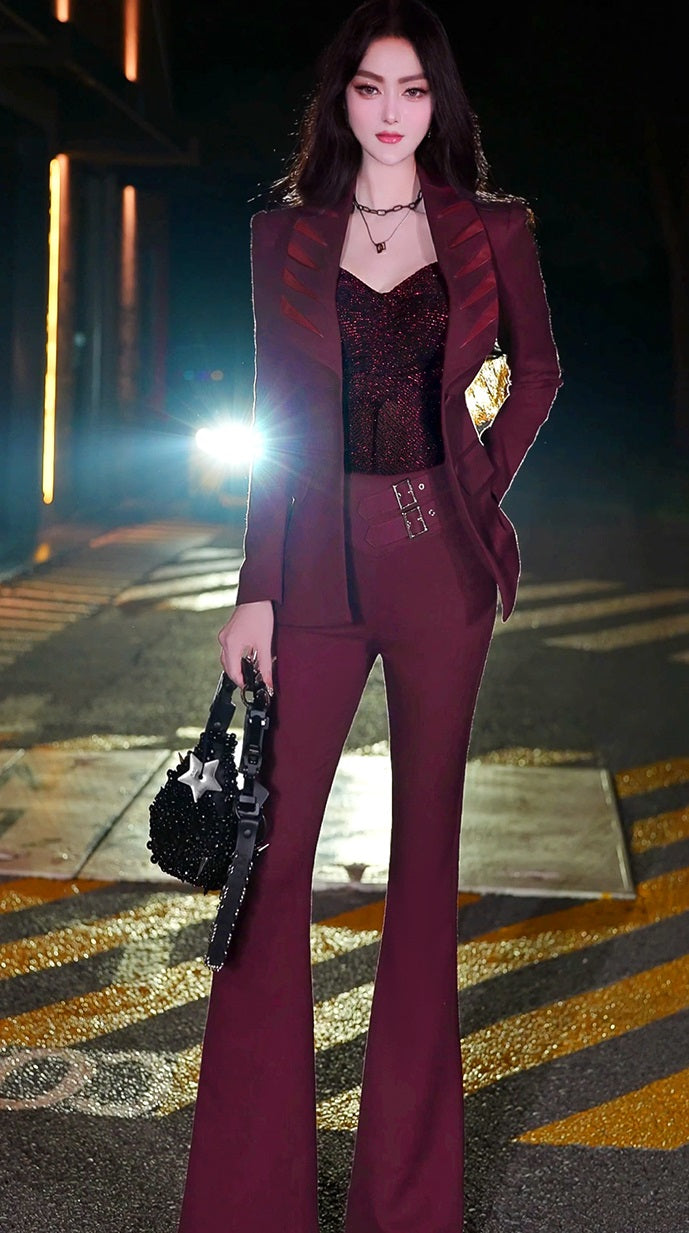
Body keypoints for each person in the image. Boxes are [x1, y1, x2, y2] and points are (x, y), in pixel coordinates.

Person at [177, 2, 561, 1230]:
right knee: (269, 861)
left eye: (411, 89)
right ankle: (248, 1204)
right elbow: (275, 414)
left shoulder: (491, 229)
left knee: (423, 870)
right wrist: (254, 586)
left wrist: (475, 479)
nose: (389, 111)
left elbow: (537, 370)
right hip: (312, 569)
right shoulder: (282, 236)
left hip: (439, 567)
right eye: (367, 88)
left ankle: (408, 1206)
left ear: (437, 103)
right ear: (338, 101)